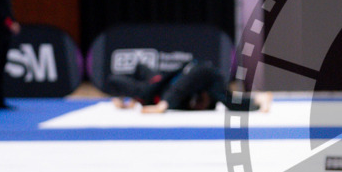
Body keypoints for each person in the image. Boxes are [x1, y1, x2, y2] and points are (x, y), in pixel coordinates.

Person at [106, 60, 272, 113]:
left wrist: (163, 105)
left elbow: (181, 87)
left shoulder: (206, 88)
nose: (199, 107)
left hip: (161, 90)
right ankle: (259, 98)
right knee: (139, 77)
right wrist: (131, 103)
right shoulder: (197, 81)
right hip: (161, 85)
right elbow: (181, 85)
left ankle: (259, 98)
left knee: (228, 101)